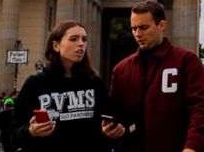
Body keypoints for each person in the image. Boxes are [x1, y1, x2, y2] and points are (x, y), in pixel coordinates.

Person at [108, 0, 204, 152]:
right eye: (134, 28)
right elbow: (115, 114)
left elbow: (200, 109)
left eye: (143, 27)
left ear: (161, 25)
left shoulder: (186, 60)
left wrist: (192, 147)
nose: (137, 34)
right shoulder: (121, 69)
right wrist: (109, 130)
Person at [9, 20, 124, 151]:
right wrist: (30, 131)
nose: (81, 44)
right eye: (73, 39)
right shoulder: (35, 84)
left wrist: (111, 132)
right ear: (56, 46)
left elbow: (107, 124)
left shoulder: (95, 84)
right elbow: (12, 135)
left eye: (84, 39)